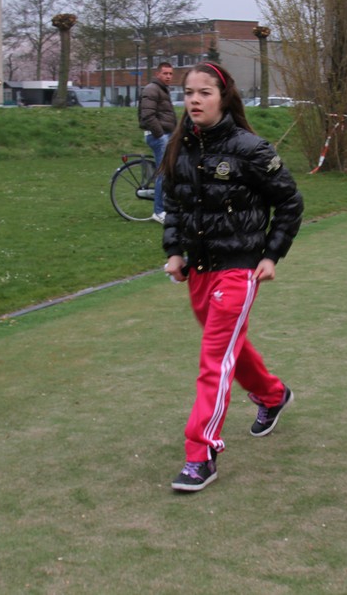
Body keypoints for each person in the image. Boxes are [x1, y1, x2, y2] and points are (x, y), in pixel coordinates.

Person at [161, 62, 303, 493]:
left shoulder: (251, 149)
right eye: (189, 93)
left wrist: (272, 255)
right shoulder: (179, 147)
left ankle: (200, 453)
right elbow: (175, 205)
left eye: (204, 92)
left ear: (223, 98)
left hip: (239, 270)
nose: (194, 100)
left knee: (214, 360)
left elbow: (290, 202)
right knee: (227, 350)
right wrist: (174, 251)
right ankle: (273, 395)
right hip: (200, 269)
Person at [139, 62, 177, 224]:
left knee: (171, 169)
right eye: (165, 73)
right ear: (158, 74)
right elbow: (148, 115)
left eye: (170, 73)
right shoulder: (152, 89)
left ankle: (168, 205)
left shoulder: (162, 90)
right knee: (163, 173)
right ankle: (158, 211)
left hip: (166, 135)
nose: (168, 76)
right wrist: (161, 136)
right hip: (158, 137)